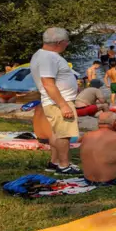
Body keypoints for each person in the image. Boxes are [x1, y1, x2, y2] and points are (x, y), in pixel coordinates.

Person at [31, 28, 81, 175]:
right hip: (59, 102)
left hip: (56, 101)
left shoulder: (43, 55)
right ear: (59, 42)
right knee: (64, 134)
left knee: (57, 133)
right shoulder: (48, 58)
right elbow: (48, 84)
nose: (67, 44)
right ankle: (64, 166)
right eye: (66, 42)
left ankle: (54, 162)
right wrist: (63, 105)